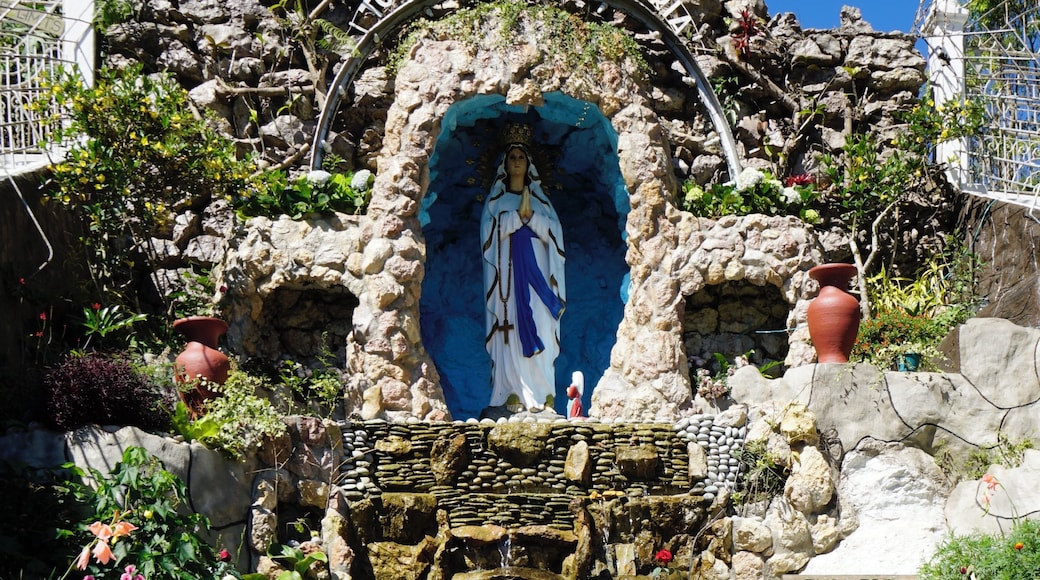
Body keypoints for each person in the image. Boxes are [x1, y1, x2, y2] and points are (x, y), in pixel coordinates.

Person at [480, 124, 566, 412]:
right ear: (504, 164)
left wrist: (531, 219)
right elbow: (488, 239)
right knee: (511, 330)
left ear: (529, 164)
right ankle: (511, 392)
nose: (517, 161)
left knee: (542, 324)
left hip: (539, 281)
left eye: (521, 157)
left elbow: (555, 238)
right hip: (508, 281)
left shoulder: (543, 204)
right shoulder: (496, 202)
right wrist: (516, 217)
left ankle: (544, 395)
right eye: (512, 157)